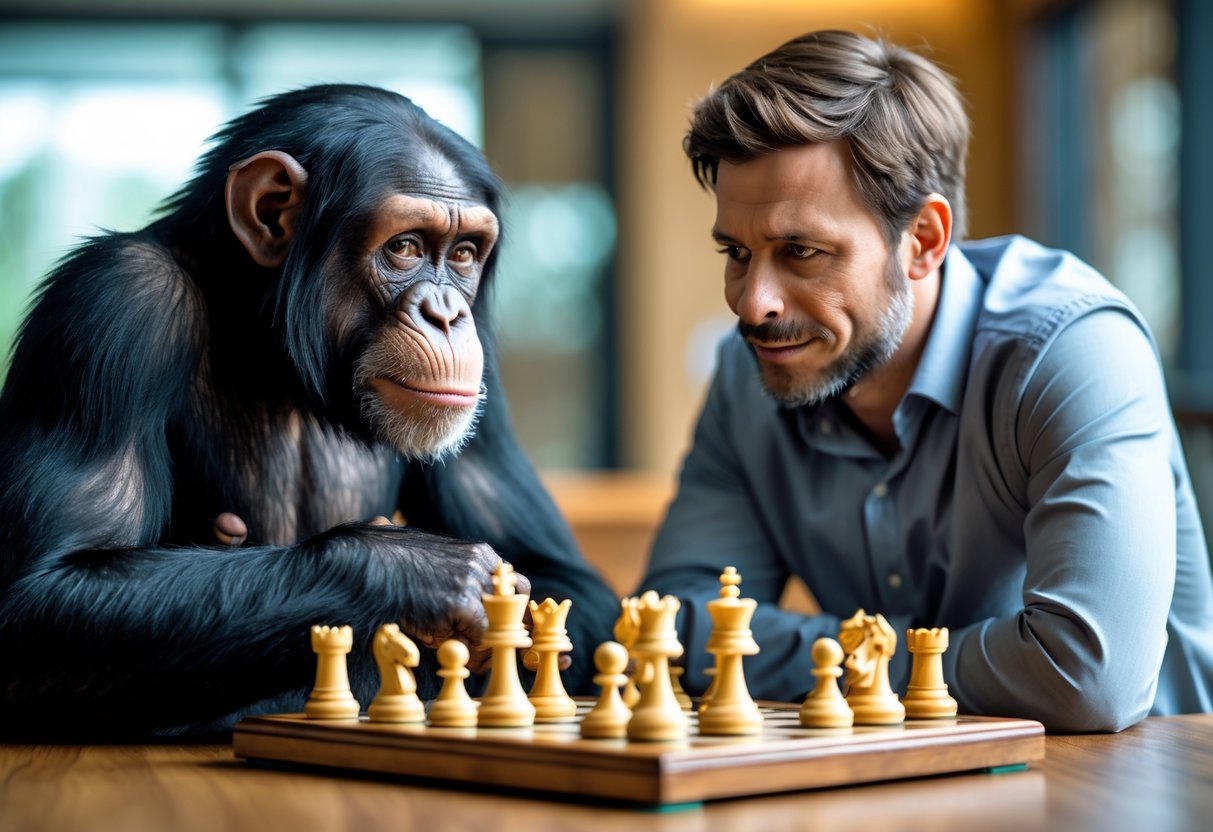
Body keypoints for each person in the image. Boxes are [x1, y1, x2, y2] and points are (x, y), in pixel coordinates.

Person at [641, 29, 1213, 733]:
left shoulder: (1071, 350)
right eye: (736, 252)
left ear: (924, 241)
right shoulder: (748, 371)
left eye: (801, 251)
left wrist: (839, 663)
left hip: (1126, 785)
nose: (751, 303)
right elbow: (676, 626)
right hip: (900, 783)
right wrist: (931, 664)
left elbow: (1084, 677)